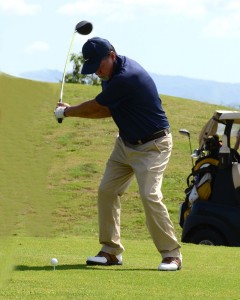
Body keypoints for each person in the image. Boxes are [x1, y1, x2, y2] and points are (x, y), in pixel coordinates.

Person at [54, 37, 182, 271]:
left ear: (111, 55)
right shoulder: (110, 75)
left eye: (98, 67)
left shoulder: (127, 77)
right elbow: (107, 110)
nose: (96, 73)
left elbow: (98, 106)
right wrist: (70, 112)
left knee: (150, 195)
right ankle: (111, 251)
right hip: (125, 144)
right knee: (107, 191)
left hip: (153, 145)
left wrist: (68, 111)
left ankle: (172, 254)